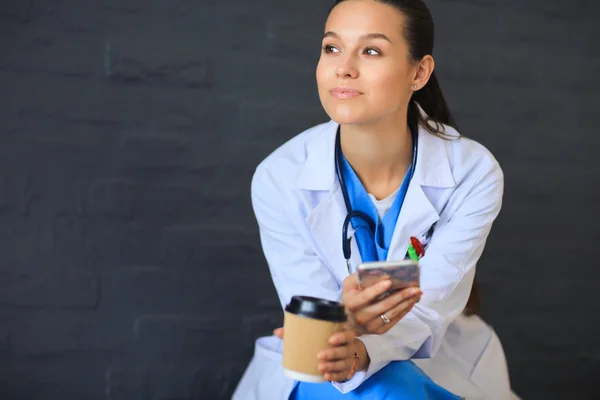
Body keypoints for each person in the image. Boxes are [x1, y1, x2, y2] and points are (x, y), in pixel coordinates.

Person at [233, 0, 520, 399]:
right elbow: (315, 317)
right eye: (332, 48)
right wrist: (345, 333)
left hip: (432, 357)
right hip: (322, 363)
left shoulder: (472, 172)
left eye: (371, 51)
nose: (344, 67)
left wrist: (363, 347)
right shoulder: (279, 176)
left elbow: (428, 307)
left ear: (418, 72)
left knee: (392, 386)